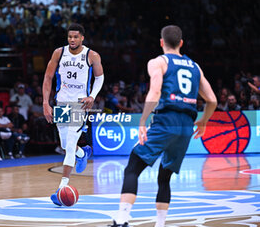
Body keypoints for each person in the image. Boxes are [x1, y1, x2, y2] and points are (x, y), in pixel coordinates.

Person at [110, 25, 217, 227]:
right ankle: (160, 224)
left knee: (133, 167)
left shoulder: (158, 62)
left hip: (166, 120)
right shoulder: (195, 66)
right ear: (181, 43)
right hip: (186, 126)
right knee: (164, 177)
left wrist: (142, 120)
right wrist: (203, 121)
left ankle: (122, 218)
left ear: (161, 42)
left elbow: (155, 91)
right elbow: (212, 100)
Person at [42, 23, 104, 206]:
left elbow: (100, 77)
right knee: (64, 144)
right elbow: (48, 77)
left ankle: (62, 187)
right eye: (70, 37)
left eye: (76, 37)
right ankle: (82, 152)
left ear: (82, 38)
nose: (72, 40)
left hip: (79, 104)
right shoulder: (58, 53)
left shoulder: (92, 55)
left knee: (69, 144)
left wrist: (92, 96)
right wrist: (46, 102)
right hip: (61, 103)